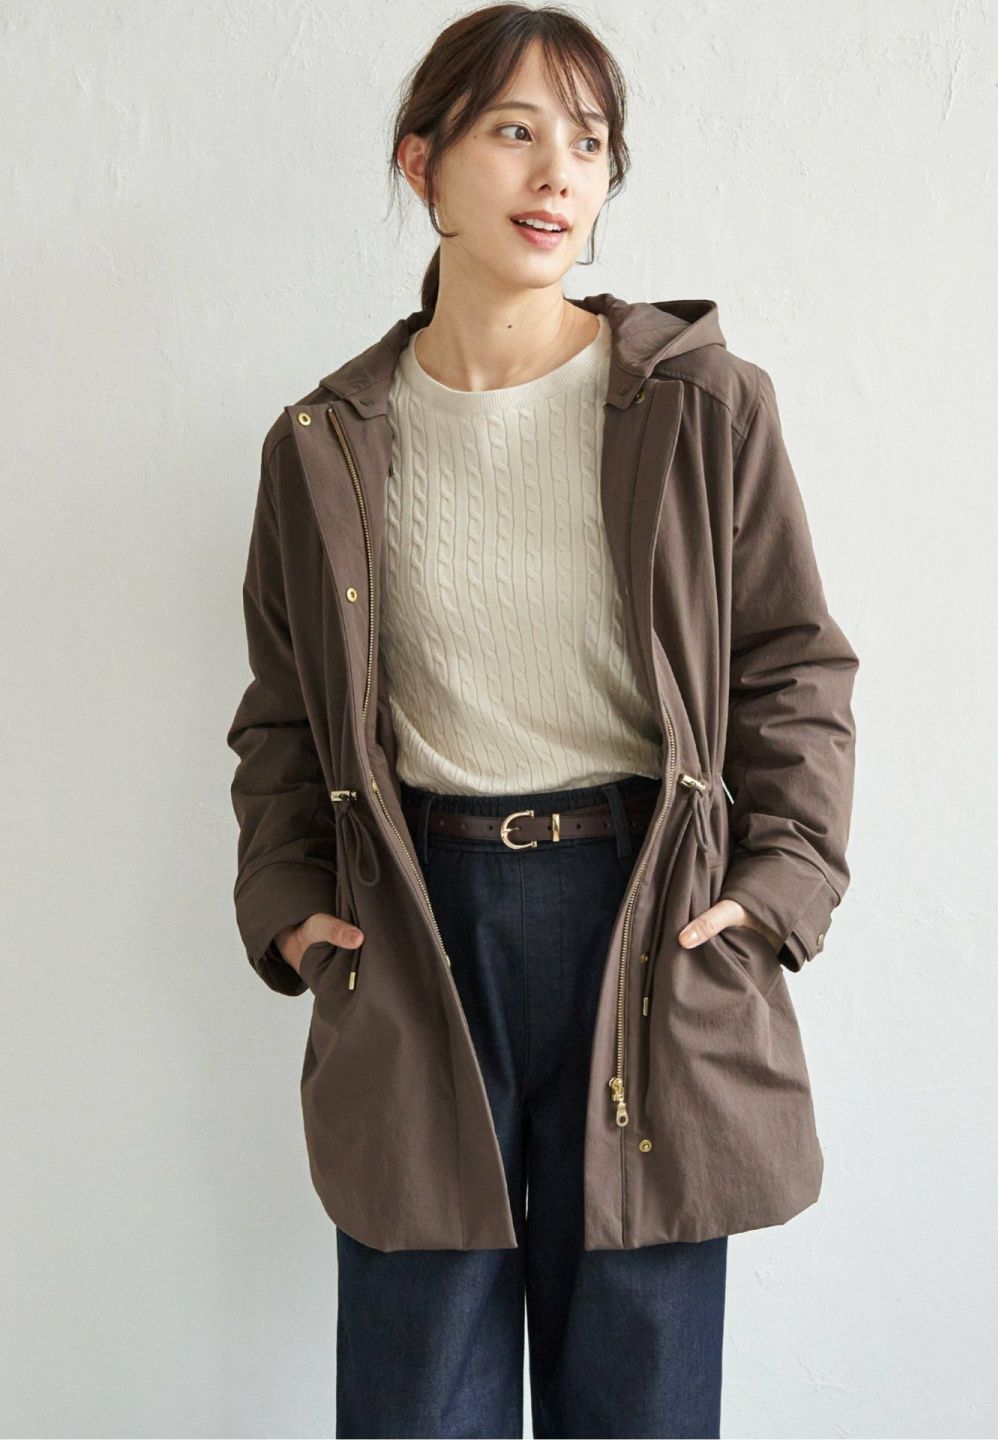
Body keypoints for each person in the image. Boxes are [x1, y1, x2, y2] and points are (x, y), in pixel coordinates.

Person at [226, 5, 858, 1436]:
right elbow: (283, 717)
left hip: (649, 914)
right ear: (422, 163)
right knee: (418, 1394)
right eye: (514, 131)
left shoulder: (702, 407)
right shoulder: (324, 446)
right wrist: (289, 906)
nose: (557, 172)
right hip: (416, 918)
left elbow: (793, 668)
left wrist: (775, 892)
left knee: (639, 1397)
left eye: (588, 141)